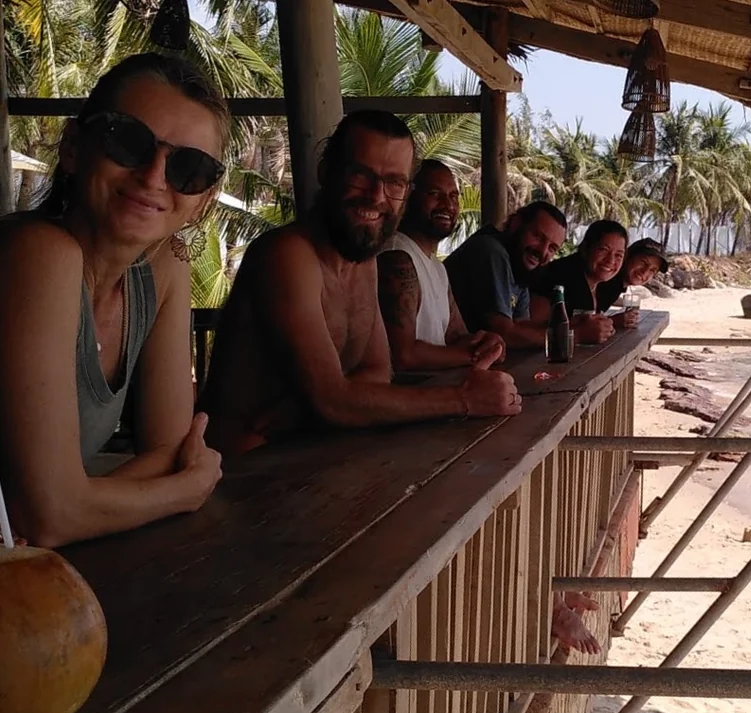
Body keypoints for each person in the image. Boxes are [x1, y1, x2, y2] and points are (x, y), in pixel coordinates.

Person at [199, 111, 521, 458]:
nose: (376, 196)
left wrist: (319, 405)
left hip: (306, 463)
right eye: (360, 175)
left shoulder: (364, 261)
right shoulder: (287, 254)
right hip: (237, 475)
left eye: (394, 183)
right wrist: (463, 398)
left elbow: (377, 373)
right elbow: (332, 400)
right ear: (327, 172)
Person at [0, 53, 226, 547]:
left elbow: (171, 447)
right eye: (127, 141)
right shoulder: (38, 254)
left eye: (189, 168)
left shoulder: (165, 266)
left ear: (203, 200)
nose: (153, 177)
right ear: (75, 148)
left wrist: (77, 501)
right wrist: (185, 490)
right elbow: (48, 518)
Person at [377, 159, 506, 371]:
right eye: (435, 194)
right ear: (409, 197)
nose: (448, 205)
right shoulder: (396, 257)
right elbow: (403, 355)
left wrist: (487, 343)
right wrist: (474, 356)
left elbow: (457, 336)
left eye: (453, 196)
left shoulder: (437, 267)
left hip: (438, 391)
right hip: (408, 397)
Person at [444, 201, 566, 349]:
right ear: (516, 223)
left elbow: (520, 326)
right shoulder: (491, 251)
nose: (543, 251)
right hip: (439, 362)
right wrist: (567, 336)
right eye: (538, 236)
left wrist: (567, 326)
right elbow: (504, 332)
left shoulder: (519, 267)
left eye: (552, 248)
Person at [530, 220, 627, 345]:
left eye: (619, 255)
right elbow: (530, 326)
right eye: (603, 250)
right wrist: (575, 333)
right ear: (586, 248)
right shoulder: (558, 275)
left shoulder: (601, 284)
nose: (610, 260)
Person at [596, 237, 670, 319]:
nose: (645, 272)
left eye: (652, 270)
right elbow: (585, 323)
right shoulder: (607, 280)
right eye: (643, 262)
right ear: (627, 256)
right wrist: (614, 320)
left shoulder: (618, 284)